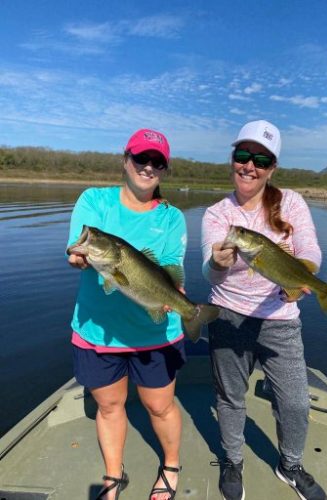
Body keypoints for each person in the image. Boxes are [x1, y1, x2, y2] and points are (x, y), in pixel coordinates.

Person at [201, 120, 327, 500]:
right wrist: (220, 262)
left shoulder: (290, 202)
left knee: (294, 401)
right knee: (230, 397)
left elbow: (310, 248)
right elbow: (209, 272)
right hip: (227, 316)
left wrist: (305, 277)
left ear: (272, 168)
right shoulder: (217, 214)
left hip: (280, 319)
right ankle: (233, 460)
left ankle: (290, 465)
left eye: (261, 159)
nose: (249, 166)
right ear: (232, 160)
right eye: (243, 155)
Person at [67, 129, 185, 500]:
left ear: (164, 170)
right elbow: (77, 250)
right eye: (141, 158)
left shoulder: (171, 217)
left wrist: (174, 295)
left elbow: (169, 268)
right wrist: (80, 257)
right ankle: (114, 476)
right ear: (126, 160)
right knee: (109, 404)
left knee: (160, 406)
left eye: (157, 162)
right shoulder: (94, 201)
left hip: (155, 332)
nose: (147, 167)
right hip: (96, 332)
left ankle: (170, 465)